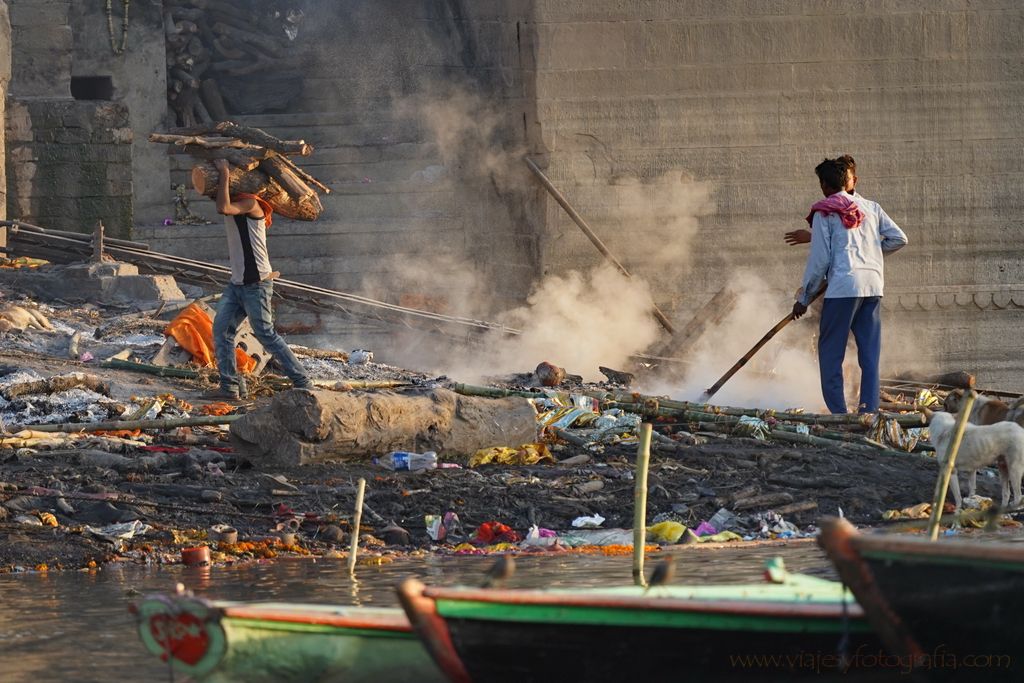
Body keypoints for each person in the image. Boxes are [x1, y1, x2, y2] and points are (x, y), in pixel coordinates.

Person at [791, 158, 907, 414]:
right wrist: (872, 256)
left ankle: (839, 415)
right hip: (873, 286)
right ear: (848, 181)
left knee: (831, 353)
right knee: (869, 355)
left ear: (823, 184)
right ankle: (868, 412)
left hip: (844, 288)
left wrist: (804, 298)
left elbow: (820, 260)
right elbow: (899, 239)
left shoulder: (825, 212)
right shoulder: (872, 207)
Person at [205, 158, 312, 399]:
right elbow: (219, 200)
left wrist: (222, 172)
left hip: (257, 284)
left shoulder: (252, 203)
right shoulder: (238, 200)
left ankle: (303, 380)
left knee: (265, 334)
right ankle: (229, 386)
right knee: (221, 331)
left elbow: (223, 208)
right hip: (237, 284)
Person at [784, 154, 858, 246]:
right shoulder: (828, 209)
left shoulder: (867, 208)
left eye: (846, 178)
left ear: (854, 181)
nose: (840, 179)